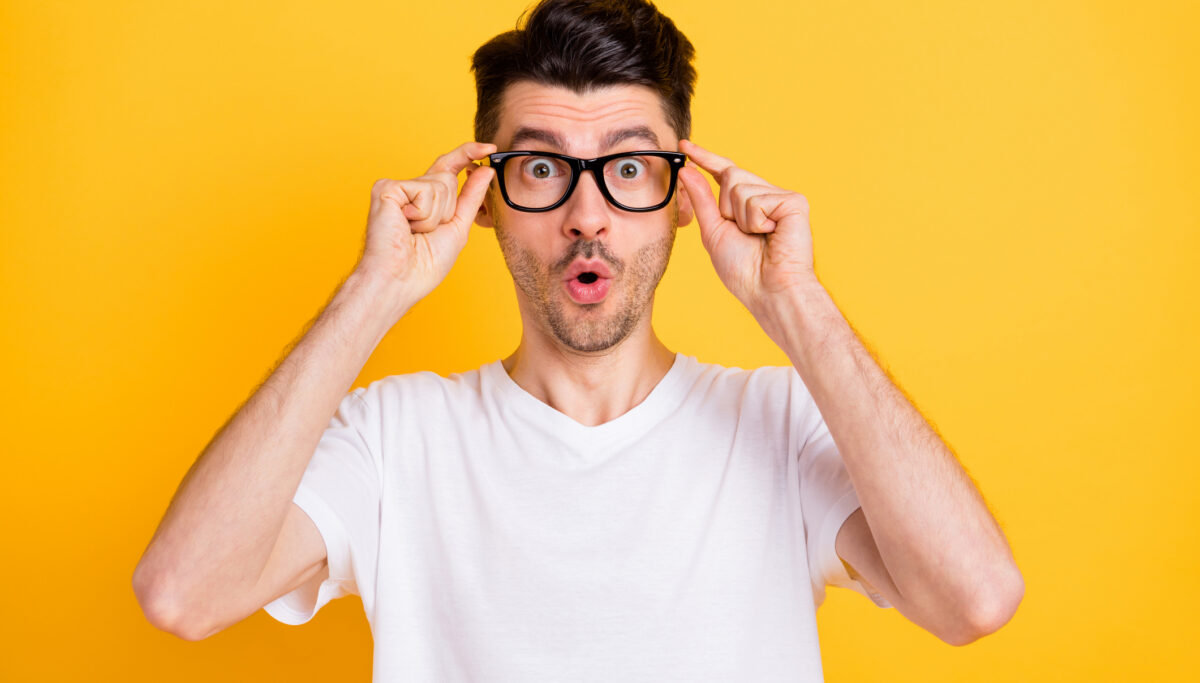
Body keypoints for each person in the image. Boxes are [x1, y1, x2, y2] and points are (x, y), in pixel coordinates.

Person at [132, 0, 1024, 679]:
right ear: (486, 199)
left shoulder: (782, 425)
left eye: (629, 167)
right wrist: (375, 290)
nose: (586, 216)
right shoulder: (395, 440)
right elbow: (183, 594)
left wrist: (795, 301)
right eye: (544, 168)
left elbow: (974, 599)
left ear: (683, 194)